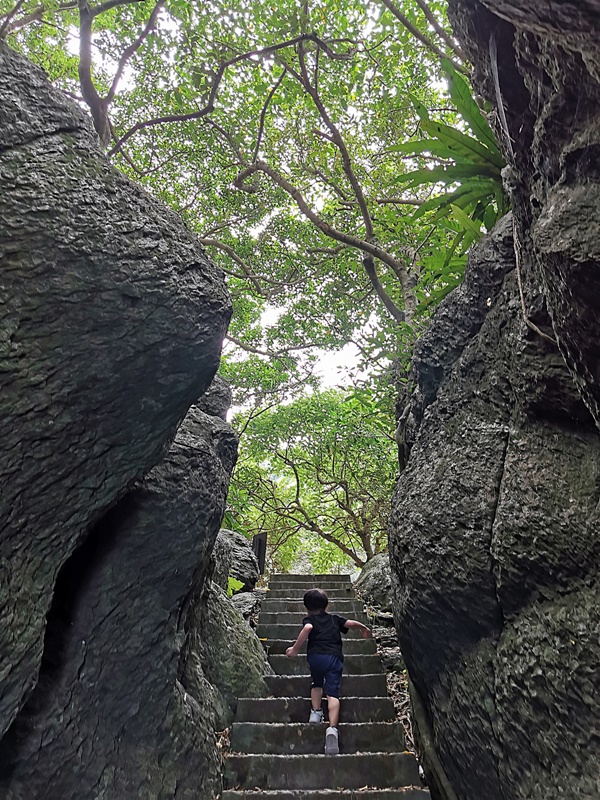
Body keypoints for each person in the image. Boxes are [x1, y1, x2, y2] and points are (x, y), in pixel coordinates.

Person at [285, 587, 372, 755]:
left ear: (307, 607)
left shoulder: (309, 620)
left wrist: (295, 649)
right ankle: (332, 729)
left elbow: (308, 628)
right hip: (334, 658)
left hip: (316, 657)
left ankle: (315, 714)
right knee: (332, 692)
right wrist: (364, 628)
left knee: (316, 683)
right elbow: (351, 623)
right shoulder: (334, 619)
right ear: (326, 606)